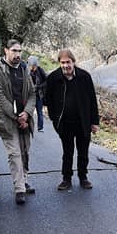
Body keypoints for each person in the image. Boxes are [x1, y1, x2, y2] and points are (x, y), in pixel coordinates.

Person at [0, 39, 36, 205]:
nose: (17, 54)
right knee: (14, 153)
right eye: (14, 51)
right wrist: (17, 117)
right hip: (6, 119)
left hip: (24, 117)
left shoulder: (24, 68)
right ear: (5, 51)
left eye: (19, 51)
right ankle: (19, 189)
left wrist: (27, 114)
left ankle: (24, 180)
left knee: (25, 151)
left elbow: (32, 93)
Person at [44, 48, 100, 190]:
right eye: (62, 62)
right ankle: (66, 179)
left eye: (68, 62)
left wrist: (94, 122)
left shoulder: (84, 77)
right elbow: (47, 100)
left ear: (73, 62)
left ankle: (83, 177)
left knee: (83, 152)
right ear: (59, 63)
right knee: (67, 153)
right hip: (65, 124)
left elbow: (92, 101)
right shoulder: (53, 78)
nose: (65, 66)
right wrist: (54, 119)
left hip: (83, 122)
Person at [28, 56, 47, 132]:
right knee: (29, 112)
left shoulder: (40, 70)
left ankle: (40, 127)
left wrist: (39, 86)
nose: (32, 67)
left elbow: (46, 81)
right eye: (31, 65)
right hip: (30, 96)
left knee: (39, 112)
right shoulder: (27, 71)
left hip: (39, 95)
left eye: (33, 65)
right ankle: (29, 127)